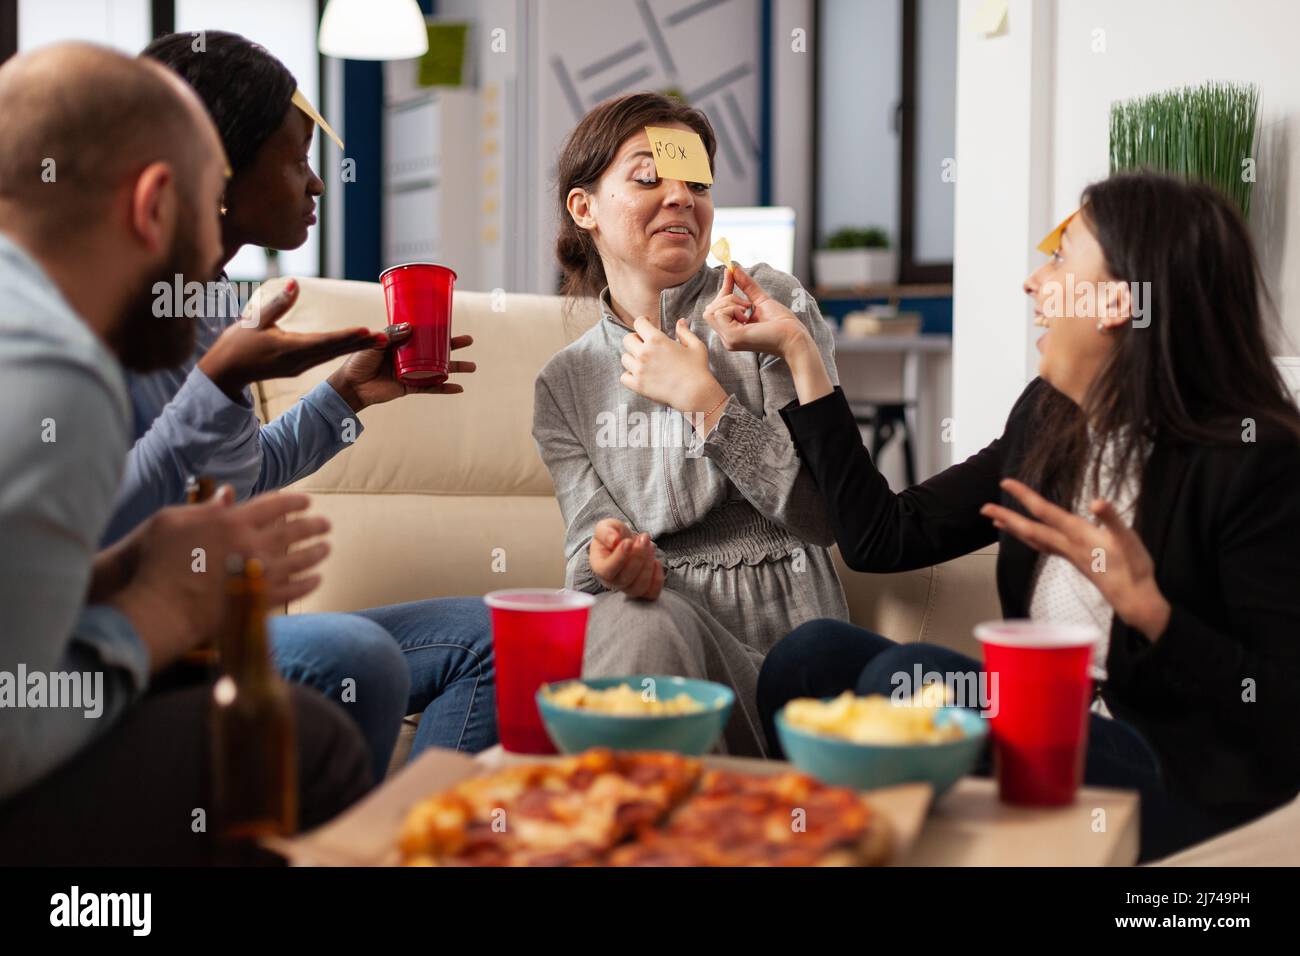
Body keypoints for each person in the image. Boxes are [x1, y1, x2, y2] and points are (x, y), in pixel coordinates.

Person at [709, 171, 1300, 862]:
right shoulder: (1049, 419)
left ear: (1117, 301)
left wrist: (1152, 614)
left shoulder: (1256, 462)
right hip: (1047, 722)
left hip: (1175, 766)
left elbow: (1280, 710)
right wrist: (799, 355)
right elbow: (882, 536)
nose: (1033, 282)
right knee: (811, 658)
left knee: (913, 684)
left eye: (1060, 257)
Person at [0, 42, 370, 865]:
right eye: (211, 204)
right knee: (305, 739)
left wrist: (131, 566)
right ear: (157, 204)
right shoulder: (58, 369)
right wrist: (153, 614)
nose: (213, 258)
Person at [105, 31, 497, 777]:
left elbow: (234, 478)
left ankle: (407, 845)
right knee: (356, 657)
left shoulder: (214, 308)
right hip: (135, 635)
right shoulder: (105, 312)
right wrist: (214, 384)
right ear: (216, 168)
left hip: (220, 619)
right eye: (296, 160)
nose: (316, 186)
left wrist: (345, 395)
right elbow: (92, 530)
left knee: (488, 637)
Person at [532, 92, 847, 756]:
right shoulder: (564, 386)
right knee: (633, 615)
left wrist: (708, 403)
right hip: (659, 640)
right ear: (583, 207)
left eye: (697, 182)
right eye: (649, 176)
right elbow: (587, 564)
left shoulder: (766, 305)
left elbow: (827, 513)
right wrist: (611, 562)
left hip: (795, 654)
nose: (681, 197)